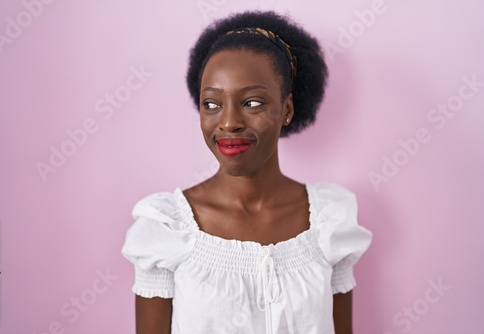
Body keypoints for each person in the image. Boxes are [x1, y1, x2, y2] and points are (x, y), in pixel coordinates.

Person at [122, 10, 372, 334]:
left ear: (287, 109)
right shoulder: (167, 228)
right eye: (211, 104)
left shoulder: (330, 221)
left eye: (252, 102)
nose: (228, 123)